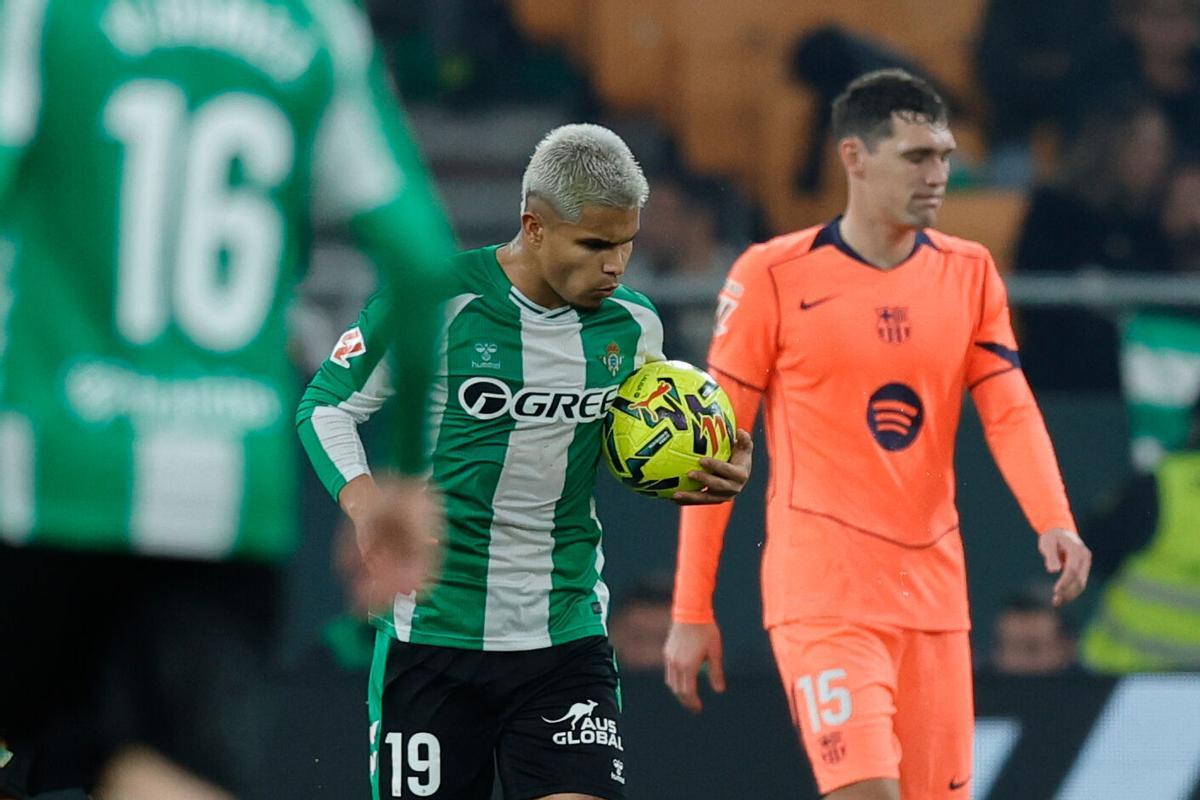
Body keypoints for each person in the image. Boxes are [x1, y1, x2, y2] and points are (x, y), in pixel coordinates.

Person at [0, 1, 456, 798]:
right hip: (219, 498)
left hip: (43, 470)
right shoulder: (317, 27)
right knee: (162, 769)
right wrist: (408, 476)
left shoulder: (46, 14)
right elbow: (420, 261)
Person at [663, 70, 1092, 800]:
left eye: (945, 155)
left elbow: (1009, 408)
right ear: (855, 157)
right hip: (824, 596)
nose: (939, 175)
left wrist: (1054, 519)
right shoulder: (772, 275)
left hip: (932, 600)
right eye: (916, 156)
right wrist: (690, 609)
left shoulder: (970, 273)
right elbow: (717, 449)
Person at [296, 123, 753, 800]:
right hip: (434, 640)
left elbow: (650, 433)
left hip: (564, 639)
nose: (614, 265)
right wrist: (364, 503)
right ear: (534, 226)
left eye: (625, 244)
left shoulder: (633, 325)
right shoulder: (437, 298)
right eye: (595, 244)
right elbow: (326, 406)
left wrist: (708, 464)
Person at [1079, 398, 1200, 672]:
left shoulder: (1162, 484)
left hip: (1128, 672)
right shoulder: (1163, 486)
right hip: (1131, 679)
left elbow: (1091, 553)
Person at [989, 585, 1078, 676]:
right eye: (1015, 650)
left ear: (1067, 649)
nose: (1023, 662)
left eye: (1033, 649)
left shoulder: (1087, 687)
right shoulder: (981, 685)